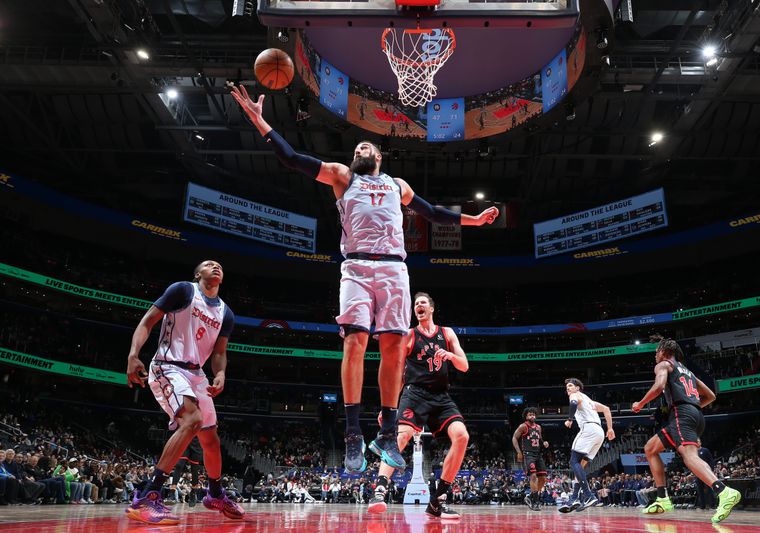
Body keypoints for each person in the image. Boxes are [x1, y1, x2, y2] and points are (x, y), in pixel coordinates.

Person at [231, 85, 498, 474]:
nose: (358, 151)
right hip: (356, 266)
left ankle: (388, 432)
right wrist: (259, 120)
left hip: (393, 269)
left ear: (379, 156)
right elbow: (291, 158)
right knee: (355, 342)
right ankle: (354, 431)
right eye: (355, 149)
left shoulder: (397, 185)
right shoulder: (342, 177)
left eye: (364, 148)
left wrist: (471, 220)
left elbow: (433, 212)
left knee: (392, 348)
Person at [125, 260, 244, 524]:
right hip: (168, 366)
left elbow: (220, 353)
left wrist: (221, 373)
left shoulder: (226, 313)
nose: (216, 267)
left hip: (197, 374)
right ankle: (148, 496)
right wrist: (134, 355)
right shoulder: (183, 291)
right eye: (209, 264)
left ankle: (214, 494)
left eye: (220, 266)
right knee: (192, 421)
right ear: (197, 273)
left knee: (211, 438)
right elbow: (148, 321)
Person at [367, 292, 470, 519]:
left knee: (462, 436)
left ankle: (437, 501)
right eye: (415, 304)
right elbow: (397, 374)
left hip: (441, 397)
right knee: (402, 435)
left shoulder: (447, 333)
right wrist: (388, 408)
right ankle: (380, 490)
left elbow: (464, 366)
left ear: (431, 308)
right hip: (415, 394)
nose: (418, 306)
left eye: (422, 303)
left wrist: (451, 356)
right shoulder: (409, 335)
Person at [632, 335, 741, 524]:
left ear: (665, 352)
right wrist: (694, 406)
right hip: (693, 414)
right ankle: (662, 497)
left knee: (689, 457)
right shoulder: (688, 372)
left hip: (681, 414)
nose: (655, 356)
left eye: (656, 352)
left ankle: (724, 491)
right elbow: (711, 395)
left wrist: (640, 404)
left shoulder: (664, 365)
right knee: (650, 448)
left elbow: (658, 387)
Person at [558, 378, 615, 513]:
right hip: (600, 433)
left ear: (578, 388)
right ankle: (574, 498)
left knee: (573, 461)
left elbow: (572, 403)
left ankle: (588, 496)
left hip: (588, 429)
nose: (568, 388)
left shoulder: (575, 395)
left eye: (570, 386)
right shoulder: (589, 401)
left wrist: (570, 419)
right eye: (567, 387)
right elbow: (606, 409)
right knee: (581, 466)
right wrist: (610, 428)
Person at [512, 407, 549, 511]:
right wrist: (519, 452)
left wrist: (544, 442)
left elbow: (539, 439)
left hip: (538, 454)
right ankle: (536, 502)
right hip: (528, 454)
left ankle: (530, 496)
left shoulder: (538, 427)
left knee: (543, 478)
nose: (532, 416)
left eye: (533, 414)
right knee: (533, 476)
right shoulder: (523, 426)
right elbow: (514, 438)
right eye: (530, 414)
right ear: (526, 416)